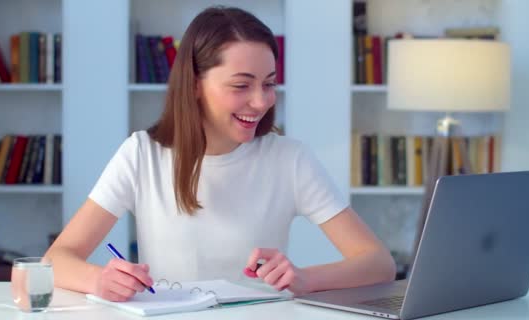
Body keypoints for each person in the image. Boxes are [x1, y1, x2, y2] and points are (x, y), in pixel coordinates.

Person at [44, 6, 396, 302]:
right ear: (195, 84)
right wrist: (98, 280)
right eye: (241, 85)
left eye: (269, 83)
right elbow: (56, 259)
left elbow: (378, 263)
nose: (261, 101)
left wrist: (304, 278)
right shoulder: (141, 154)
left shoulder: (290, 159)